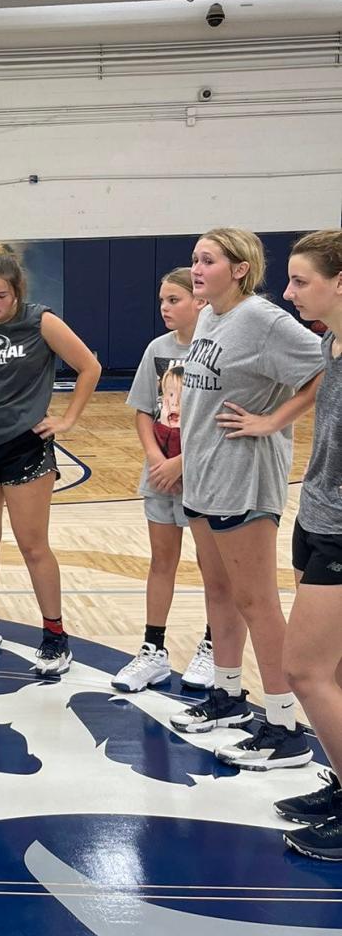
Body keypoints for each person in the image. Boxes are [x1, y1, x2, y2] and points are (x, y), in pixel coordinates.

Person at [170, 227, 324, 770]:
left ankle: (284, 723)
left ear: (240, 269)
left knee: (258, 600)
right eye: (194, 259)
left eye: (207, 260)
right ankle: (228, 695)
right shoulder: (211, 315)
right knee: (219, 592)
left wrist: (273, 420)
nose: (196, 269)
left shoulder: (264, 320)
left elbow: (327, 368)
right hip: (206, 478)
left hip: (244, 477)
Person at [0, 254, 102, 677]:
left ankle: (54, 636)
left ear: (18, 293)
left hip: (24, 448)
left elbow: (90, 366)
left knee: (33, 546)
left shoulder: (41, 322)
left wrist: (68, 419)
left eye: (2, 296)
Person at [115, 267, 216, 693]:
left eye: (173, 300)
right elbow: (143, 410)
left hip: (205, 475)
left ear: (200, 302)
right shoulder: (157, 349)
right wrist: (158, 459)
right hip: (159, 473)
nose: (164, 308)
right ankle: (153, 650)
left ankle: (215, 646)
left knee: (215, 570)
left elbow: (218, 421)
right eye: (161, 301)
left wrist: (184, 463)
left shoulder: (215, 350)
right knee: (161, 562)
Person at [275, 231, 342, 854]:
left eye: (301, 281)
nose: (289, 291)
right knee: (335, 673)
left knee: (304, 670)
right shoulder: (329, 341)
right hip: (316, 516)